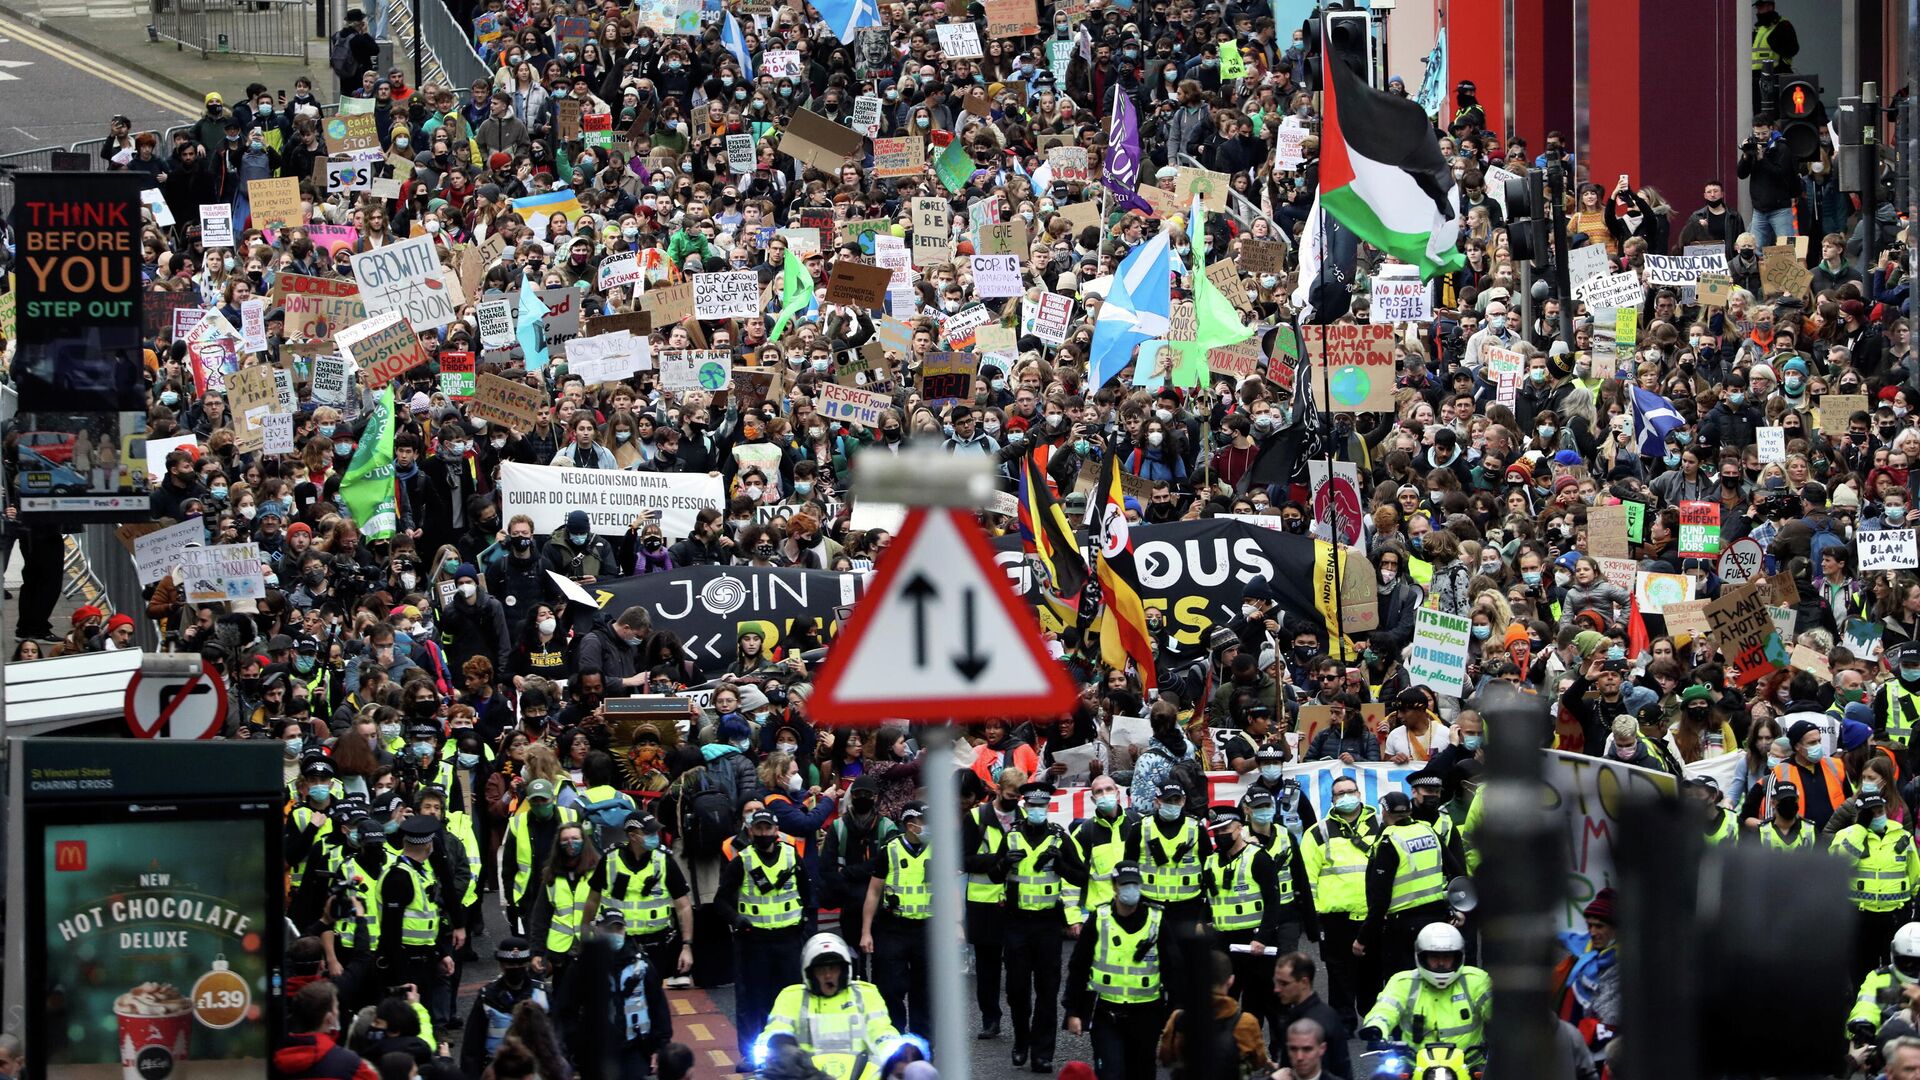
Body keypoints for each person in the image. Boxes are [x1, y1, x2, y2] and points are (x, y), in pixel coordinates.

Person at [715, 808, 814, 1064]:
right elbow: (721, 901)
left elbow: (809, 897)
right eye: (758, 828)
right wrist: (737, 920)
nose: (763, 833)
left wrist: (805, 930)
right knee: (753, 1001)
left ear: (776, 830)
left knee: (791, 999)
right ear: (750, 831)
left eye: (767, 828)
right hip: (754, 942)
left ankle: (794, 1053)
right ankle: (751, 1055)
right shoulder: (742, 861)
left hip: (789, 941)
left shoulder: (793, 857)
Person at [998, 782, 1079, 1072]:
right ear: (1024, 806)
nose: (1036, 811)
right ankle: (1022, 1039)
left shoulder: (1059, 837)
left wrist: (1061, 866)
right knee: (1017, 989)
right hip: (1017, 923)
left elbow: (1081, 876)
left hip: (1047, 925)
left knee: (1047, 991)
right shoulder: (1012, 835)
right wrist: (1004, 863)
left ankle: (1042, 1052)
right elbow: (994, 873)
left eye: (1041, 806)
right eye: (1031, 806)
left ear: (1047, 808)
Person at [1064, 861, 1165, 1080]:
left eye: (1134, 884)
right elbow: (1079, 966)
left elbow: (1173, 969)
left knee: (1142, 1073)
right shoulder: (1099, 919)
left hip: (1146, 1014)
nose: (1130, 889)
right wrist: (1073, 1011)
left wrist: (1176, 1012)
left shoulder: (1157, 921)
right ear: (1114, 886)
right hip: (1106, 1014)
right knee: (1111, 1073)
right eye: (1124, 884)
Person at [760, 933, 904, 1079]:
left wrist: (897, 1050)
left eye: (833, 968)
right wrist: (780, 1046)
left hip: (864, 1075)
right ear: (810, 973)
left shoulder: (865, 993)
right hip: (807, 1075)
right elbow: (776, 1029)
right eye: (821, 969)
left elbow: (881, 1030)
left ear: (844, 971)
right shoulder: (791, 996)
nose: (828, 975)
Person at [552, 906, 671, 1080]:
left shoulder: (641, 965)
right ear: (597, 930)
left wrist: (660, 1047)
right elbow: (565, 1010)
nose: (614, 934)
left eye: (618, 929)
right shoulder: (581, 967)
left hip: (634, 1049)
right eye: (609, 929)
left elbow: (658, 1006)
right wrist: (575, 1047)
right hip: (596, 1052)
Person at [1302, 774, 1382, 1030]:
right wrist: (1314, 918)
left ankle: (1374, 1020)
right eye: (1340, 793)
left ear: (1359, 794)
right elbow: (1307, 878)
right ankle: (1343, 1024)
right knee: (1339, 974)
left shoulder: (1381, 826)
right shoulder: (1318, 832)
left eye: (1351, 791)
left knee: (1373, 972)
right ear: (1332, 799)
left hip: (1373, 915)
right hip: (1335, 918)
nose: (1346, 797)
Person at [584, 812, 694, 992]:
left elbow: (684, 906)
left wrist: (686, 946)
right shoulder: (610, 859)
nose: (655, 837)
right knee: (616, 994)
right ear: (632, 836)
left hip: (654, 944)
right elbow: (592, 901)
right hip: (617, 941)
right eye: (649, 833)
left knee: (651, 997)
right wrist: (586, 937)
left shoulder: (664, 860)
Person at [1358, 923, 1493, 1067]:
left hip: (1470, 1067)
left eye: (1447, 957)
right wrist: (1376, 1028)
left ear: (1458, 957)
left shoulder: (1476, 980)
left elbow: (1500, 1012)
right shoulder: (1403, 982)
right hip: (1415, 1067)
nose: (1441, 963)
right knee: (1383, 1075)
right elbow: (1385, 1009)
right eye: (1434, 957)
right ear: (1421, 957)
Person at [859, 800, 935, 1044]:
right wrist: (866, 932)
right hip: (893, 928)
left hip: (927, 929)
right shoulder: (889, 850)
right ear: (911, 826)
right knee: (890, 989)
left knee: (924, 991)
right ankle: (895, 1042)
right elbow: (873, 892)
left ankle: (923, 1044)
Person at [1361, 791, 1461, 972]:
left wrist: (1363, 938)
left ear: (1384, 811)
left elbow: (1380, 898)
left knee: (1402, 983)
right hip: (1437, 919)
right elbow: (1456, 873)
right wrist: (1457, 910)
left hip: (1402, 927)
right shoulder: (1429, 831)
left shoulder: (1389, 840)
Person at [1834, 793, 1920, 985]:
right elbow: (1840, 865)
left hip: (1896, 915)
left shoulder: (1902, 836)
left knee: (1899, 973)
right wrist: (1860, 829)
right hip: (1861, 917)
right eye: (1870, 813)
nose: (1877, 815)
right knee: (1861, 972)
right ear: (1860, 815)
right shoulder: (1846, 836)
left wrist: (1915, 908)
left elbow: (1915, 875)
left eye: (1880, 810)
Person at [1155, 950, 1272, 1079]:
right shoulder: (1246, 1022)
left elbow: (1165, 1056)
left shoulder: (1178, 1018)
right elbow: (1258, 1061)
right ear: (1230, 980)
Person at [458, 938, 550, 1077]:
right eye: (510, 965)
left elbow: (555, 1040)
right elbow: (472, 1047)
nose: (515, 969)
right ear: (501, 965)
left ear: (526, 964)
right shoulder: (487, 997)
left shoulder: (542, 995)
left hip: (534, 1071)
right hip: (497, 1071)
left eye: (520, 964)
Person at [1274, 953, 1352, 1080]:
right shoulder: (1325, 1014)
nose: (1277, 989)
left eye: (1284, 983)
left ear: (1304, 982)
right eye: (1276, 982)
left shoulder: (1312, 1025)